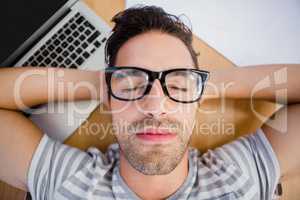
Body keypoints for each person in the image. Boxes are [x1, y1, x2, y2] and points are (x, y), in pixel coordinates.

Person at [0, 5, 299, 200]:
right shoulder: (67, 183)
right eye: (132, 85)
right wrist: (104, 83)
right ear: (109, 99)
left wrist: (201, 84)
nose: (155, 105)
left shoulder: (238, 181)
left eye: (178, 86)